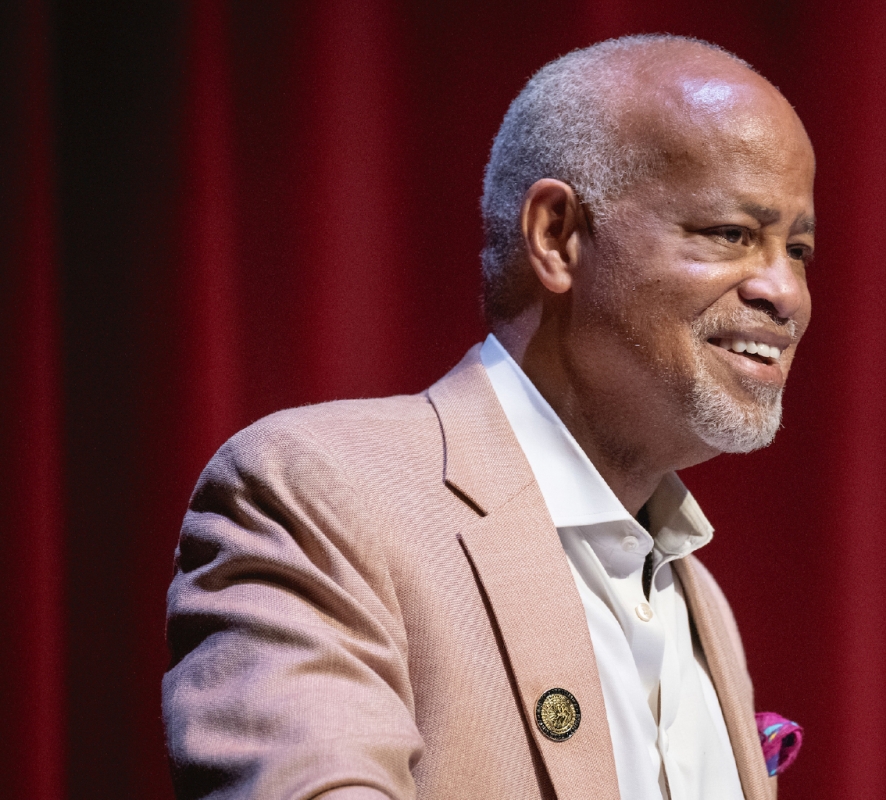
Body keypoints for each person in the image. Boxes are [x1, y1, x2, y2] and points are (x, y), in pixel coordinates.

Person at [163, 34, 815, 800]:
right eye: (732, 234)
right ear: (557, 236)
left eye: (798, 249)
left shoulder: (701, 604)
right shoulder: (319, 497)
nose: (786, 292)